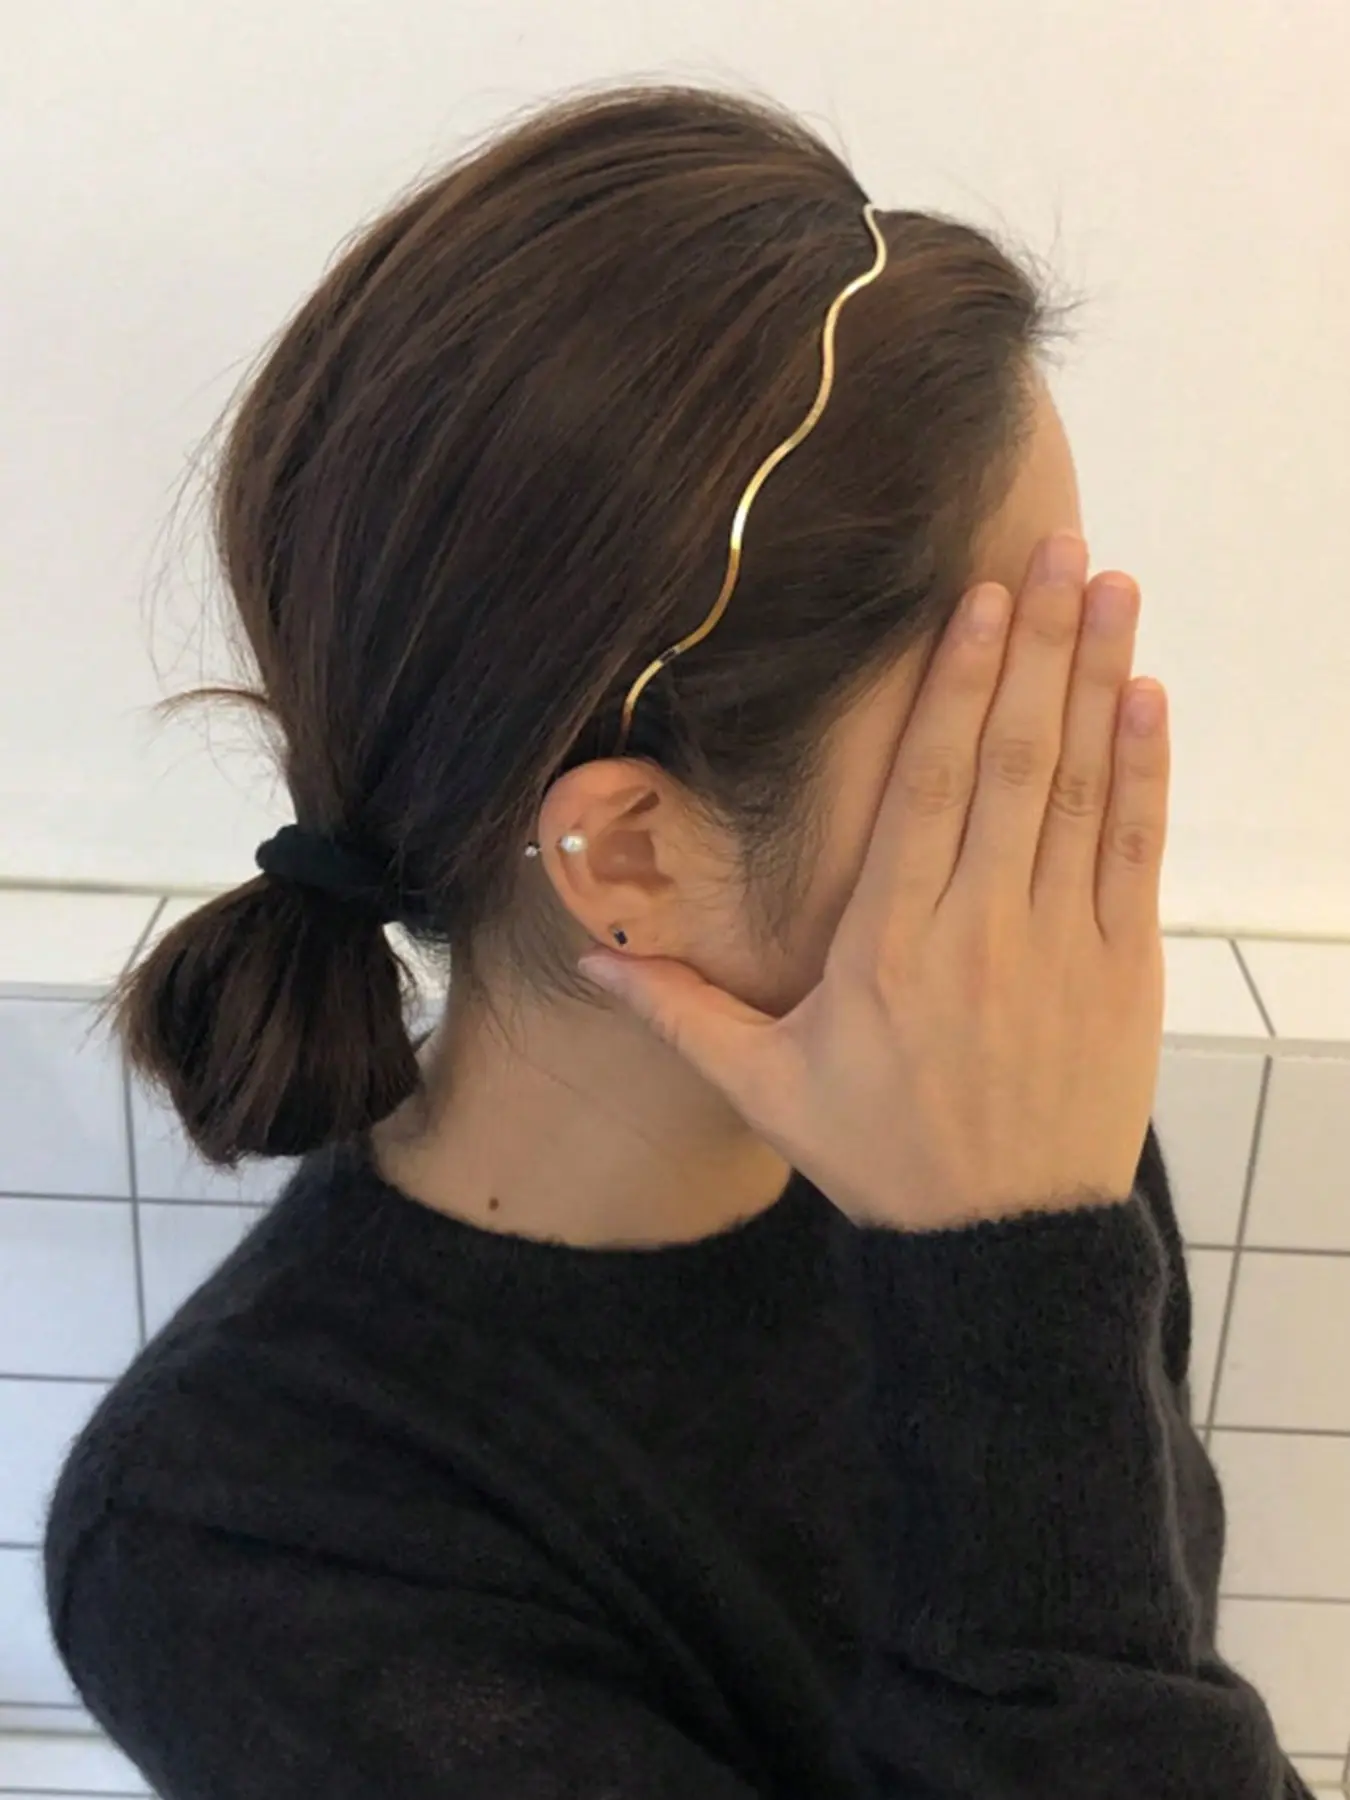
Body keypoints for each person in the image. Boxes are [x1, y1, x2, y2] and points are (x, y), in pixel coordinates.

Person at [44, 83, 1307, 1799]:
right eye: (1007, 679)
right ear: (629, 851)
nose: (1075, 748)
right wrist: (1010, 1280)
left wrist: (1025, 1265)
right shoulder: (237, 1544)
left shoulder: (1004, 1123)